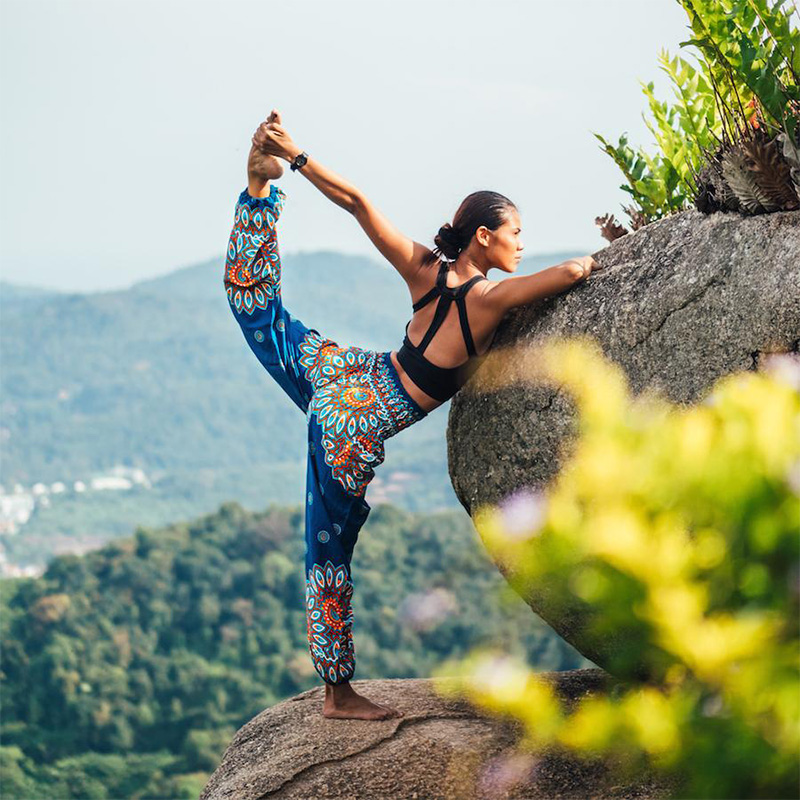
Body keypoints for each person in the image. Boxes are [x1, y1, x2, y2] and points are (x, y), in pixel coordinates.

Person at [224, 110, 602, 720]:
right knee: (328, 549)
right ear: (484, 237)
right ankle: (337, 692)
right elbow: (570, 272)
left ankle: (257, 191)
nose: (521, 244)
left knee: (258, 310)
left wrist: (295, 157)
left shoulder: (425, 268)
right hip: (352, 424)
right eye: (515, 233)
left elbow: (357, 202)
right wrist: (587, 264)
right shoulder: (487, 299)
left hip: (345, 376)